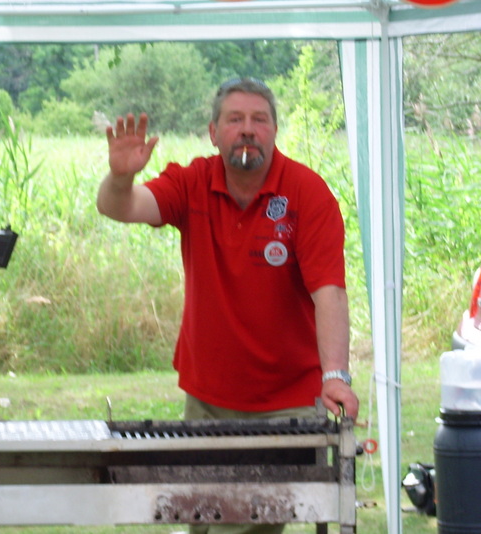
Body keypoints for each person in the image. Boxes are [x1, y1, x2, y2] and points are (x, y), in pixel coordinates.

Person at [97, 77, 359, 534]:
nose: (248, 130)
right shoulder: (192, 181)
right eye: (235, 119)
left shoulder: (307, 193)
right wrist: (121, 177)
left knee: (255, 519)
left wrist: (335, 376)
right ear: (213, 132)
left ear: (275, 131)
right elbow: (120, 207)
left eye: (259, 120)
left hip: (289, 400)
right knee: (204, 513)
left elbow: (329, 292)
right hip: (209, 398)